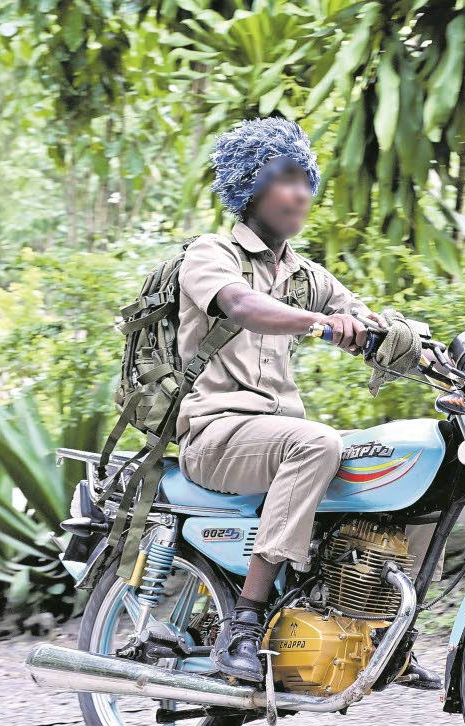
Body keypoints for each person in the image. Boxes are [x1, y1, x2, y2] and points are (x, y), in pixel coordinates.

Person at [176, 118, 433, 687]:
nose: (300, 193)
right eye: (284, 178)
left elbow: (369, 319)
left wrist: (436, 355)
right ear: (251, 186)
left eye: (305, 180)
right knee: (317, 441)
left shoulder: (302, 274)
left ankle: (381, 626)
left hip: (271, 441)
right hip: (216, 434)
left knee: (403, 459)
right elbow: (240, 305)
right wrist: (322, 324)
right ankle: (243, 623)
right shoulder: (210, 253)